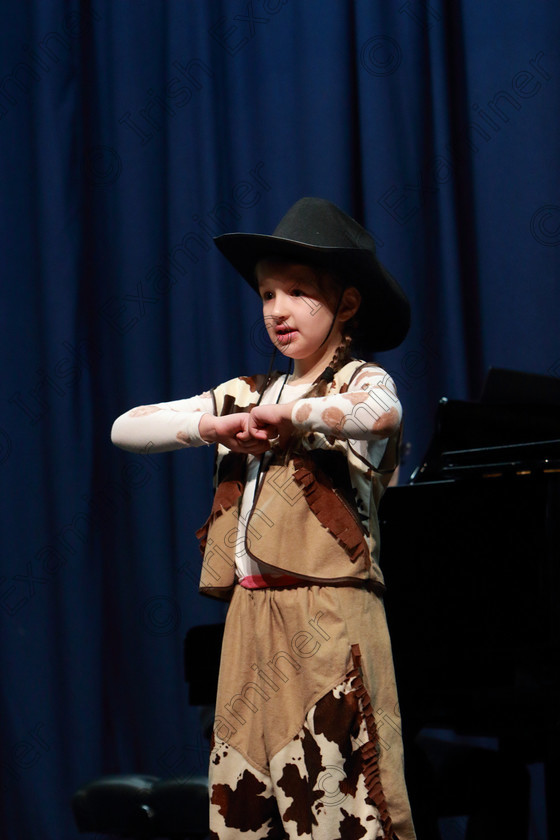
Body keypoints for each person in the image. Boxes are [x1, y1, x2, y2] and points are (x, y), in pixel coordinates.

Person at [111, 197, 416, 840]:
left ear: (348, 305)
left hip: (328, 620)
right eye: (267, 293)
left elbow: (379, 414)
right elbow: (126, 428)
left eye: (299, 292)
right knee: (248, 808)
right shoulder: (246, 393)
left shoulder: (360, 380)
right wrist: (211, 425)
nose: (277, 309)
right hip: (251, 620)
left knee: (341, 802)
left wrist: (298, 416)